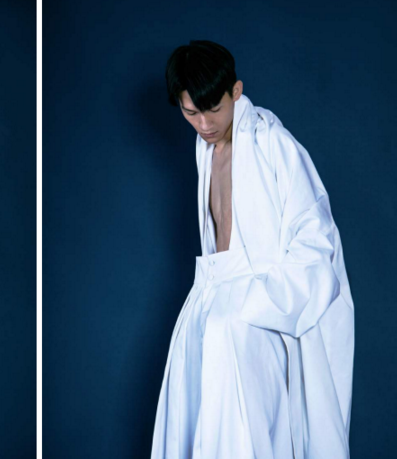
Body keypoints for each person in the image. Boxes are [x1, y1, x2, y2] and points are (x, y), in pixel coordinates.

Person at [150, 40, 354, 459]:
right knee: (192, 416)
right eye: (191, 113)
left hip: (260, 306)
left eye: (213, 109)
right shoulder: (206, 150)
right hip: (209, 297)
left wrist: (262, 302)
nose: (204, 124)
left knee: (243, 427)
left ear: (236, 91)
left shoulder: (271, 142)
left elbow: (316, 235)